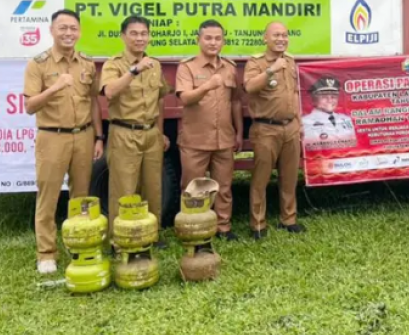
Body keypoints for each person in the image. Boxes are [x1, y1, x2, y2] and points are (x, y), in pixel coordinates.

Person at [23, 9, 104, 275]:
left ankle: (78, 245)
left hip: (83, 136)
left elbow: (93, 102)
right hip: (52, 136)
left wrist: (98, 136)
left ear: (79, 32)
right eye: (63, 28)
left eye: (73, 28)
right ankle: (46, 254)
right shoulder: (39, 64)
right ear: (52, 30)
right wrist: (55, 87)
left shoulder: (87, 63)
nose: (69, 33)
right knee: (49, 197)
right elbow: (29, 106)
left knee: (81, 198)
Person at [100, 16, 170, 246]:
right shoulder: (114, 64)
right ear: (123, 36)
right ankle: (121, 239)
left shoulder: (155, 64)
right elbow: (109, 92)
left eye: (144, 33)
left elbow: (160, 98)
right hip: (124, 132)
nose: (140, 38)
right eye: (134, 33)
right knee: (124, 189)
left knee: (153, 187)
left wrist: (160, 132)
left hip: (150, 133)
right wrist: (134, 71)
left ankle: (152, 234)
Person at [175, 19, 244, 241]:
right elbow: (185, 98)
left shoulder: (230, 68)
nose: (213, 43)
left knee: (224, 186)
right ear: (199, 40)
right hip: (195, 139)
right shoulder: (187, 67)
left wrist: (238, 132)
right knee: (192, 188)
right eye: (208, 38)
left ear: (223, 41)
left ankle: (223, 226)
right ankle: (192, 227)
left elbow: (235, 102)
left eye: (218, 38)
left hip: (224, 138)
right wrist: (206, 86)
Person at [244, 21, 306, 239]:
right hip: (266, 129)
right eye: (276, 35)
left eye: (285, 35)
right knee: (261, 179)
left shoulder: (290, 61)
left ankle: (288, 219)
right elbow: (250, 87)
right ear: (265, 38)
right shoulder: (256, 62)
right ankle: (258, 224)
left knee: (289, 178)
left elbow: (295, 93)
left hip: (289, 127)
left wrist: (299, 122)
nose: (281, 39)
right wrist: (271, 70)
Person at [301, 77, 357, 149]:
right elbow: (309, 149)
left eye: (333, 96)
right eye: (324, 96)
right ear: (314, 99)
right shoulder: (305, 122)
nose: (329, 100)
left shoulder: (346, 119)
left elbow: (353, 147)